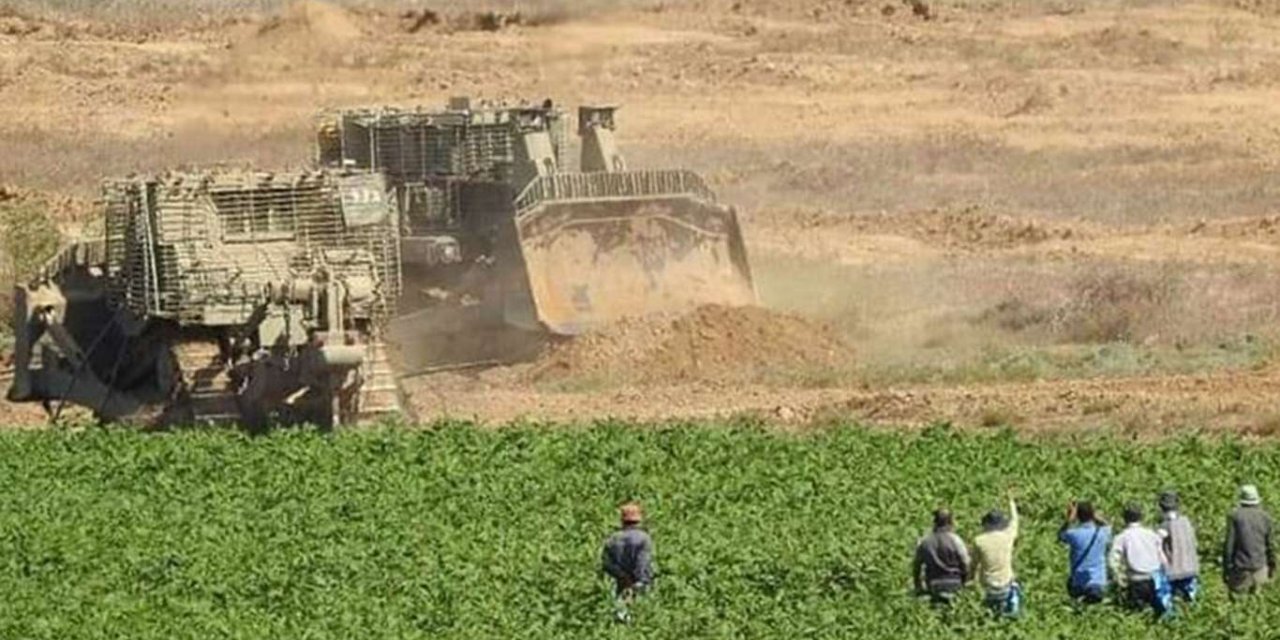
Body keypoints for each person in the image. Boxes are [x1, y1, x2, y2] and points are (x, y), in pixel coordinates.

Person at [1109, 503, 1172, 616]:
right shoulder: (1151, 534)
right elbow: (1162, 557)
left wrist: (1119, 579)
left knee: (1137, 614)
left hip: (1136, 580)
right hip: (1155, 579)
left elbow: (1113, 562)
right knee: (1157, 614)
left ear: (1124, 518)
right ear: (1141, 517)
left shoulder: (1121, 537)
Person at [971, 492, 1022, 617]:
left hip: (988, 588)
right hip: (1006, 586)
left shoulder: (979, 541)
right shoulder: (1007, 536)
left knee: (988, 614)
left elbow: (973, 565)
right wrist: (1011, 502)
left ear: (986, 524)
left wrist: (969, 581)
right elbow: (1014, 520)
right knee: (1016, 590)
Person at [601, 502, 654, 623]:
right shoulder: (644, 538)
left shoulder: (612, 538)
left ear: (622, 520)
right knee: (641, 618)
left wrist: (623, 577)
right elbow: (642, 563)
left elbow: (606, 564)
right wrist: (639, 581)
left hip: (620, 583)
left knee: (621, 616)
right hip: (639, 584)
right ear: (638, 520)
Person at [1223, 484, 1275, 596]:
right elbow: (1270, 544)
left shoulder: (1235, 516)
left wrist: (1227, 569)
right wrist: (1272, 566)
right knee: (1259, 607)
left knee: (1239, 606)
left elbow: (1229, 546)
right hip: (1261, 568)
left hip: (1241, 570)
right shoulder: (1265, 517)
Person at [912, 509, 971, 605]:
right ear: (951, 522)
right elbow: (966, 563)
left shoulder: (925, 541)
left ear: (934, 522)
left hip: (934, 582)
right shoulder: (955, 540)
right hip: (954, 582)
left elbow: (916, 566)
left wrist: (918, 586)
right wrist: (965, 581)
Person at [1058, 500, 1111, 604]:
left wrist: (1069, 519)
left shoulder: (1074, 534)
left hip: (1078, 582)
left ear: (1077, 516)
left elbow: (1061, 535)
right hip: (1098, 582)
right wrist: (1095, 516)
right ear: (1093, 514)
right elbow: (1107, 525)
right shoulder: (1103, 532)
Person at [1156, 490, 1200, 602]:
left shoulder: (1165, 525)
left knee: (1174, 600)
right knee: (1189, 601)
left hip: (1174, 571)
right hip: (1191, 568)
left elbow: (1157, 545)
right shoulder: (1187, 522)